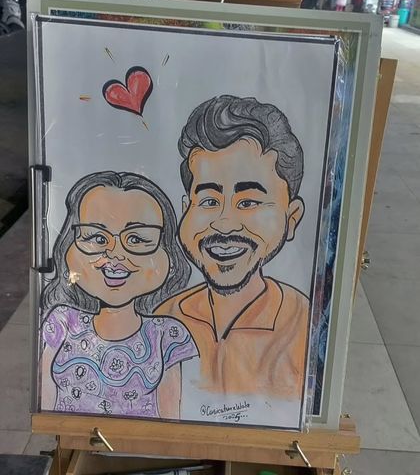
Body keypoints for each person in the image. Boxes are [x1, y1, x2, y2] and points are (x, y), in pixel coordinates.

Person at [157, 95, 309, 401]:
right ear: (186, 210)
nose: (225, 224)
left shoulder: (305, 326)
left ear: (291, 218)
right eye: (209, 201)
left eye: (249, 202)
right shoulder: (164, 321)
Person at [40, 171, 197, 419]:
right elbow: (46, 407)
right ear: (68, 245)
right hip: (76, 436)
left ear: (168, 254)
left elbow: (171, 420)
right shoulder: (62, 322)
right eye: (97, 237)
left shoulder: (167, 336)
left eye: (136, 238)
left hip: (143, 442)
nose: (115, 254)